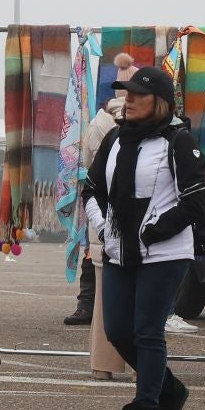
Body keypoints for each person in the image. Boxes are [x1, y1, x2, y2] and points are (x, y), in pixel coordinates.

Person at [83, 65, 205, 410]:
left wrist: (154, 229)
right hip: (118, 251)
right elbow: (91, 189)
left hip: (165, 253)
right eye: (126, 94)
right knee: (118, 331)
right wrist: (104, 226)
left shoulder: (178, 141)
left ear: (158, 102)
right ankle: (169, 390)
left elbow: (194, 202)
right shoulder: (114, 140)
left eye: (138, 95)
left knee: (146, 331)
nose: (129, 100)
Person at [66, 52, 135, 326]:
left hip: (116, 196)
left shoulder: (103, 124)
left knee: (97, 250)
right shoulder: (101, 125)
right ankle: (87, 303)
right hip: (104, 196)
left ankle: (91, 304)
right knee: (95, 250)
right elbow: (91, 164)